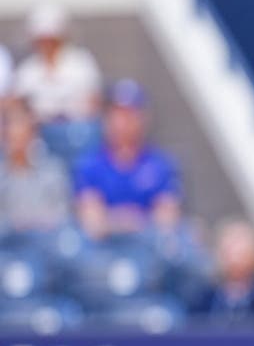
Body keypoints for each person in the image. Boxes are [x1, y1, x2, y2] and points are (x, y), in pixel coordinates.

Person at [74, 78, 184, 241]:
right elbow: (92, 223)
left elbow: (166, 221)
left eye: (130, 114)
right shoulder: (89, 166)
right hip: (104, 251)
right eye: (117, 113)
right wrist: (135, 220)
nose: (123, 122)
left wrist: (114, 220)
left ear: (143, 118)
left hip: (149, 249)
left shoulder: (162, 165)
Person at [13, 3, 103, 166]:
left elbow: (93, 104)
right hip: (41, 135)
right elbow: (19, 108)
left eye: (51, 39)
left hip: (76, 133)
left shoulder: (81, 63)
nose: (47, 44)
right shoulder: (28, 70)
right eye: (42, 39)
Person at [0, 100, 73, 235]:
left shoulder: (53, 170)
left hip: (44, 245)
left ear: (33, 133)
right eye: (11, 126)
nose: (15, 133)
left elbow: (61, 216)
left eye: (21, 125)